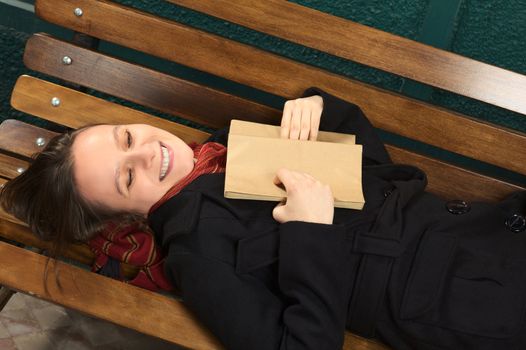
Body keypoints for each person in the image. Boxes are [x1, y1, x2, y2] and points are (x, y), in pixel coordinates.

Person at [1, 87, 525, 350]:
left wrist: (320, 109)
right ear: (126, 218)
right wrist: (309, 234)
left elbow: (370, 175)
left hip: (476, 228)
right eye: (126, 178)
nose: (146, 155)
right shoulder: (198, 255)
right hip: (463, 298)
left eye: (127, 138)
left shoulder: (227, 146)